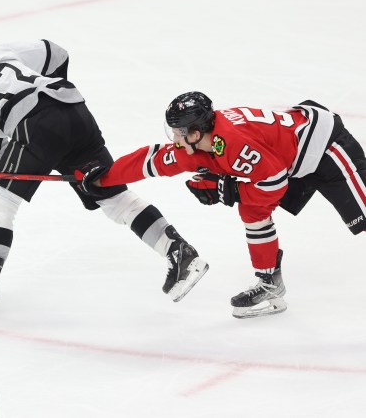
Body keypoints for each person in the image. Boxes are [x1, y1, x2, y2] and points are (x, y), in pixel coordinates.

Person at [0, 37, 209, 317]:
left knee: (0, 201)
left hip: (36, 127)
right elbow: (56, 53)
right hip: (73, 107)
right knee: (110, 195)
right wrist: (48, 99)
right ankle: (180, 252)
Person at [83, 91, 366, 319]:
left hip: (325, 146)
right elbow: (154, 161)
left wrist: (230, 191)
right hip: (288, 158)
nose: (175, 139)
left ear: (195, 132)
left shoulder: (232, 143)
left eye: (179, 132)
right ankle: (270, 282)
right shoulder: (197, 145)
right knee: (253, 211)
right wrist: (104, 179)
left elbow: (274, 184)